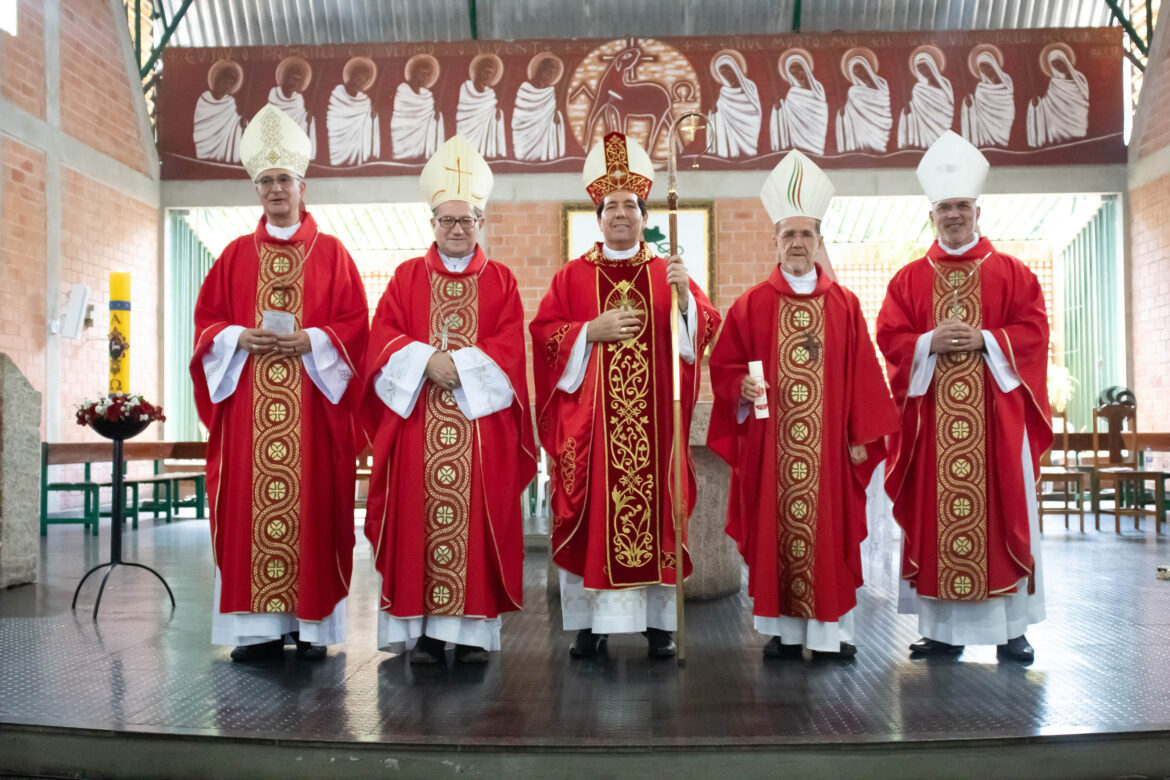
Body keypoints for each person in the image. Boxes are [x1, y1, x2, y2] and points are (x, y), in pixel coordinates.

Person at [530, 132, 720, 659]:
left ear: (643, 214)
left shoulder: (669, 273)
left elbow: (705, 330)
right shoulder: (572, 276)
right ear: (598, 216)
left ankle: (660, 626)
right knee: (592, 516)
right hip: (592, 434)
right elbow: (544, 332)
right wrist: (587, 331)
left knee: (656, 512)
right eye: (610, 205)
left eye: (629, 206)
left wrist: (686, 304)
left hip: (654, 432)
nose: (620, 213)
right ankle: (590, 627)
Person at [190, 105, 370, 662]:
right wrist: (235, 339)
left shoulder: (334, 254)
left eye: (283, 180)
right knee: (249, 512)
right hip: (249, 417)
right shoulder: (235, 256)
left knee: (313, 510)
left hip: (313, 417)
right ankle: (259, 632)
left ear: (302, 185)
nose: (274, 189)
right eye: (265, 181)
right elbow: (205, 326)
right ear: (257, 188)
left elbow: (357, 330)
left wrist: (314, 341)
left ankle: (310, 629)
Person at [707, 150, 898, 660]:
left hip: (829, 455)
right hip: (772, 451)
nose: (796, 243)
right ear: (775, 241)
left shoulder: (845, 305)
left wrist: (861, 440)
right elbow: (724, 367)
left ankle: (831, 636)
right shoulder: (751, 304)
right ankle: (785, 635)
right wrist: (739, 392)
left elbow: (864, 378)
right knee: (775, 534)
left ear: (818, 241)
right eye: (787, 235)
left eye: (805, 234)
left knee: (829, 537)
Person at [876, 131, 1051, 663]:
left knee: (1005, 516)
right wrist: (928, 342)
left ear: (977, 210)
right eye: (945, 208)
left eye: (962, 207)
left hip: (998, 426)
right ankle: (942, 631)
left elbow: (1036, 332)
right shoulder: (909, 280)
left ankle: (1012, 628)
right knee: (935, 517)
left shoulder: (1013, 274)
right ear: (931, 215)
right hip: (933, 430)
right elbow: (890, 338)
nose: (954, 216)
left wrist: (987, 339)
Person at [361, 135, 536, 665]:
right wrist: (422, 361)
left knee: (475, 527)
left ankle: (469, 633)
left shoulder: (501, 281)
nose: (458, 230)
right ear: (432, 223)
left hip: (479, 439)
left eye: (468, 220)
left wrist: (455, 365)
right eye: (447, 221)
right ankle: (422, 631)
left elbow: (509, 349)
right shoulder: (406, 277)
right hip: (416, 430)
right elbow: (381, 336)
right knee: (415, 526)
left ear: (481, 223)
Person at [1026, 43, 1089, 148]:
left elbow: (1084, 98)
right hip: (1058, 126)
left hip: (1078, 120)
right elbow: (1049, 104)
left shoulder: (1080, 78)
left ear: (1065, 61)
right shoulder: (1054, 82)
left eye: (1059, 62)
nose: (1058, 66)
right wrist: (1036, 106)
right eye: (1054, 64)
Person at [769, 49, 828, 156]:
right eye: (793, 71)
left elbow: (821, 112)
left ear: (805, 68)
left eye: (799, 69)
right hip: (798, 142)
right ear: (790, 74)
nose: (797, 74)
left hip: (817, 136)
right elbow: (788, 118)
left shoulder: (818, 88)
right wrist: (779, 109)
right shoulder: (792, 94)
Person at [707, 51, 762, 158]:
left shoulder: (750, 86)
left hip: (750, 127)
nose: (726, 75)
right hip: (731, 131)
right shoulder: (724, 91)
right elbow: (720, 113)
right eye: (722, 73)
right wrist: (714, 112)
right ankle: (732, 153)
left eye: (728, 71)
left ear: (734, 69)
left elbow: (756, 109)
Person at [835, 49, 891, 153]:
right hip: (861, 130)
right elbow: (851, 111)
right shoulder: (854, 91)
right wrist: (842, 113)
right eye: (856, 73)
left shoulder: (883, 85)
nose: (860, 74)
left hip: (880, 127)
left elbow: (884, 107)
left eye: (861, 69)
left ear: (867, 68)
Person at [327, 56, 380, 166]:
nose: (361, 79)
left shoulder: (364, 100)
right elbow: (333, 119)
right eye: (359, 75)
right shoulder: (338, 94)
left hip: (357, 147)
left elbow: (368, 123)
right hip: (339, 144)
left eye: (364, 78)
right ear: (352, 74)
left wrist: (372, 117)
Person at [512, 52, 565, 162]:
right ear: (540, 69)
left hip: (544, 133)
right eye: (549, 70)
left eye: (553, 71)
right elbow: (520, 115)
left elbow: (550, 112)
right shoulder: (526, 88)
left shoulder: (550, 91)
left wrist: (556, 117)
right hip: (525, 133)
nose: (551, 74)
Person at [897, 47, 954, 150]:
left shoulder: (945, 83)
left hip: (944, 123)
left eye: (924, 67)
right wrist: (908, 111)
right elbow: (916, 110)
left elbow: (951, 104)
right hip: (925, 131)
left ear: (931, 65)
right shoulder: (918, 89)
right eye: (919, 69)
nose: (923, 71)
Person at [391, 54, 445, 160]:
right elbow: (402, 113)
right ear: (414, 72)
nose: (423, 77)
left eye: (427, 74)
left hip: (422, 137)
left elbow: (429, 115)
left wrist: (435, 115)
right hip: (403, 131)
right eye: (421, 73)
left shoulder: (427, 95)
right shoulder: (403, 89)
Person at [960, 45, 1014, 148]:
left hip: (1005, 119)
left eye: (987, 65)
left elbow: (1008, 100)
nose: (985, 69)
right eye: (982, 67)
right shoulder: (981, 88)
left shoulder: (1007, 81)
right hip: (986, 128)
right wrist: (969, 106)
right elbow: (978, 111)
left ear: (993, 64)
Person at [456, 54, 507, 158]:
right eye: (486, 72)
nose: (487, 76)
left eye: (490, 73)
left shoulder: (490, 93)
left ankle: (487, 152)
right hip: (468, 128)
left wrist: (496, 113)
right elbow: (465, 110)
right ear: (479, 70)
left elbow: (489, 112)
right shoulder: (466, 87)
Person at [193, 59, 245, 162]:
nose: (227, 86)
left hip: (224, 151)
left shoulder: (230, 102)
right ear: (218, 80)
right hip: (205, 148)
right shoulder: (204, 100)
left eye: (231, 84)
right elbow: (202, 128)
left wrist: (242, 124)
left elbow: (233, 124)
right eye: (225, 81)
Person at [268, 56, 318, 160]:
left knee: (310, 120)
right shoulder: (274, 97)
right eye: (292, 78)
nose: (294, 83)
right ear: (285, 77)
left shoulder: (298, 100)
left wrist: (307, 119)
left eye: (297, 80)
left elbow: (300, 118)